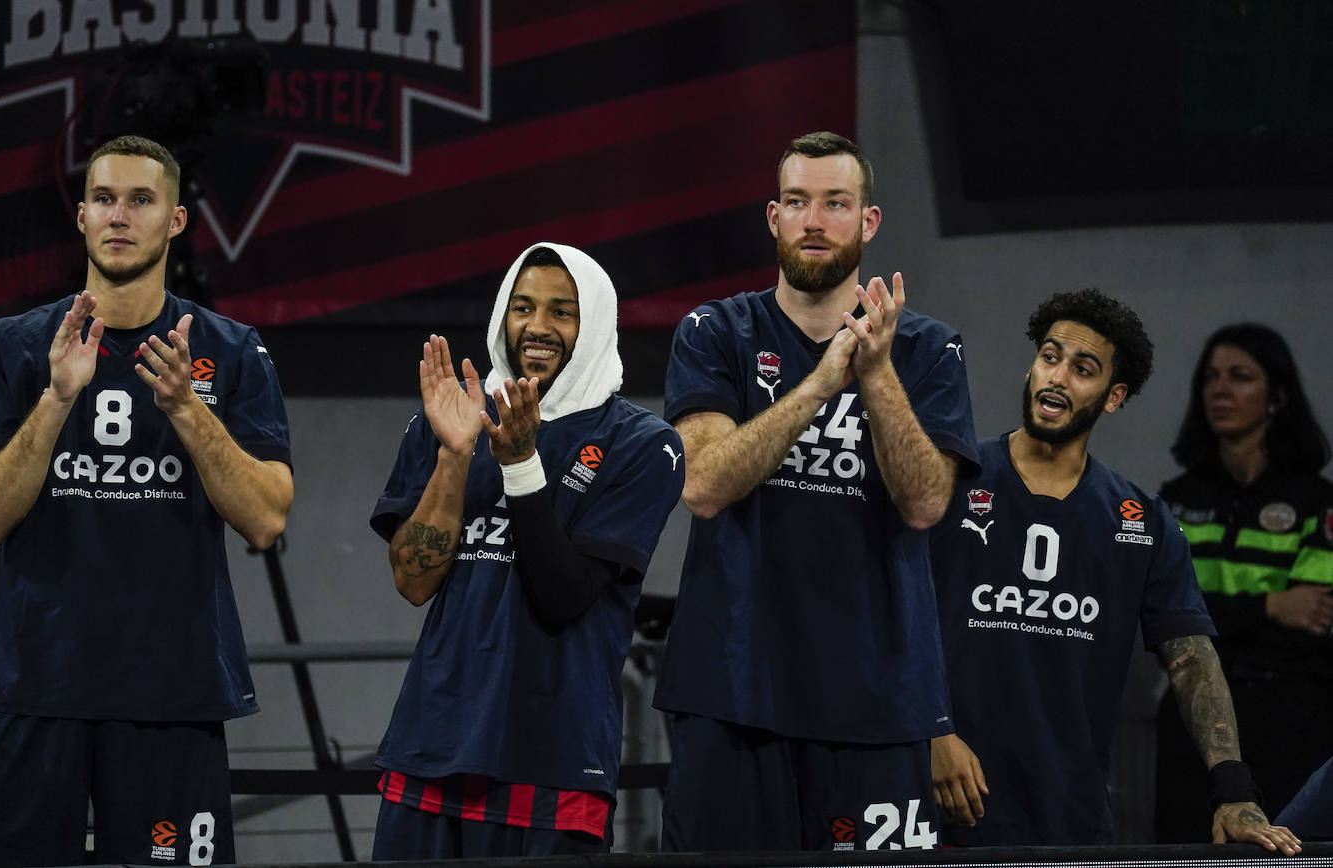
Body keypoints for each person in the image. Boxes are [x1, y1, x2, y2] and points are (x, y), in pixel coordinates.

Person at [0, 135, 293, 866]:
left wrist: (186, 409)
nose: (120, 215)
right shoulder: (13, 347)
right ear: (79, 217)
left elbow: (267, 518)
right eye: (105, 199)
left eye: (141, 200)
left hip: (172, 695)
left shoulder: (231, 351)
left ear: (175, 221)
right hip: (33, 688)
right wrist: (55, 399)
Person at [653, 131, 977, 852]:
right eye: (797, 202)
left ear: (869, 223)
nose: (814, 221)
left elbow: (926, 504)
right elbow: (702, 486)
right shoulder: (714, 332)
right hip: (732, 694)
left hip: (879, 704)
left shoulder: (930, 349)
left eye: (836, 203)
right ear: (773, 218)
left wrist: (877, 373)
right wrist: (822, 384)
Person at [929, 291, 1299, 854]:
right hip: (943, 804)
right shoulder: (951, 478)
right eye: (1050, 357)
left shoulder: (1141, 518)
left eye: (1083, 369)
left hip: (1069, 818)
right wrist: (930, 729)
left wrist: (1233, 789)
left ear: (1113, 396)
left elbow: (1191, 657)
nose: (1056, 378)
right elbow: (888, 618)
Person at [368, 242, 684, 859]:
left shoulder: (642, 445)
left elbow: (564, 596)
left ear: (593, 327)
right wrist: (456, 457)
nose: (538, 327)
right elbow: (412, 580)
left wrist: (520, 467)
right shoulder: (449, 421)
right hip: (428, 748)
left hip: (553, 762)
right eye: (523, 308)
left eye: (563, 312)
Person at [1154, 324, 1333, 839]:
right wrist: (1269, 608)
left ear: (1276, 396)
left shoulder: (1316, 501)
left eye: (1240, 377)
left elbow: (1312, 616)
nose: (1220, 389)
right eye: (1210, 377)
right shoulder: (1175, 498)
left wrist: (1218, 614)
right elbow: (1165, 617)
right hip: (1193, 719)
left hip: (1290, 717)